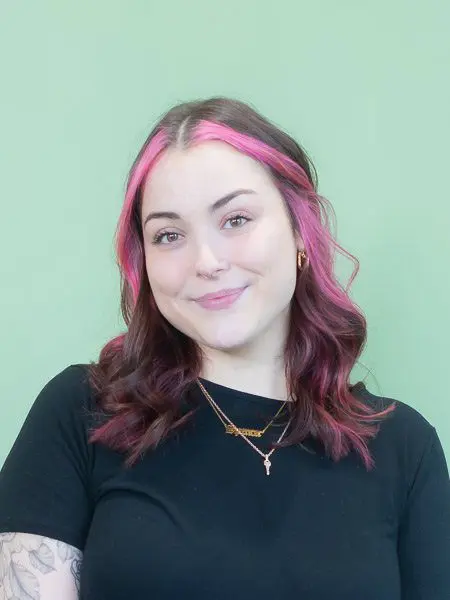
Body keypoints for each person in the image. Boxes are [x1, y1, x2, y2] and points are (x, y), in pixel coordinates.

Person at [0, 97, 449, 600]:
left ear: (301, 230)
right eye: (169, 235)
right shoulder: (80, 413)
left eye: (235, 219)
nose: (206, 261)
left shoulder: (403, 448)